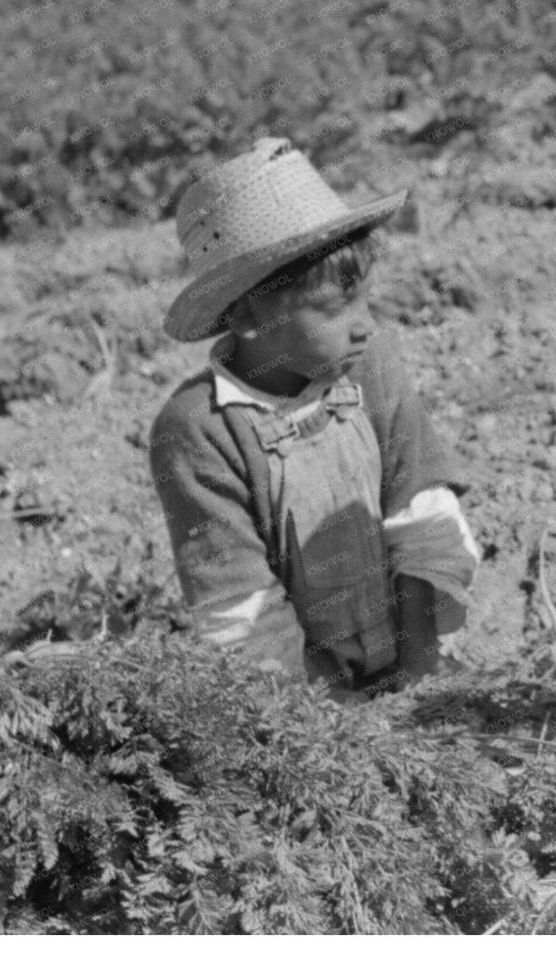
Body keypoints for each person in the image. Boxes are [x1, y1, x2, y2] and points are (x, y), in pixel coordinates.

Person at [149, 137, 479, 699]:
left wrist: (418, 675)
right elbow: (241, 612)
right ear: (251, 315)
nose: (364, 325)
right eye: (333, 308)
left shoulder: (370, 366)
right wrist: (325, 721)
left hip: (410, 657)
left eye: (364, 300)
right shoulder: (200, 428)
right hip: (297, 697)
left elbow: (422, 518)